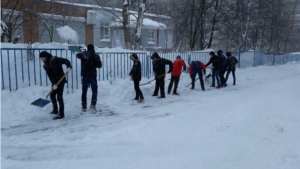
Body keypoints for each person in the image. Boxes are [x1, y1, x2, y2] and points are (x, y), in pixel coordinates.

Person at [39, 51, 72, 120]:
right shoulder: (45, 65)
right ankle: (55, 110)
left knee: (59, 97)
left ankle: (61, 114)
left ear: (45, 57)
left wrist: (68, 67)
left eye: (41, 58)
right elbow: (50, 76)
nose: (41, 59)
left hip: (61, 80)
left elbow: (66, 61)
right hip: (55, 82)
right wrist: (54, 84)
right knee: (52, 95)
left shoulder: (55, 59)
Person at [76, 44, 102, 112]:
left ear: (87, 48)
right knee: (94, 91)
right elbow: (99, 65)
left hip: (85, 75)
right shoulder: (95, 56)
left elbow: (77, 55)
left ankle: (84, 105)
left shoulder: (83, 55)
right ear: (93, 49)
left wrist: (81, 52)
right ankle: (93, 104)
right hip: (92, 75)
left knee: (84, 91)